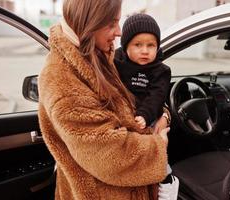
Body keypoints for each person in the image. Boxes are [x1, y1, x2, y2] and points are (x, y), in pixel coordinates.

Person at [37, 0, 171, 199]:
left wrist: (163, 115)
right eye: (112, 24)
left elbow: (137, 99)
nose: (118, 32)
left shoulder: (98, 57)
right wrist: (158, 143)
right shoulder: (62, 80)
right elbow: (110, 156)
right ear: (90, 22)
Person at [114, 13, 179, 200]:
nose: (145, 51)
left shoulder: (160, 70)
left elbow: (157, 96)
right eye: (138, 45)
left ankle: (167, 182)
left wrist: (144, 114)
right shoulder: (116, 63)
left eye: (151, 45)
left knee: (156, 156)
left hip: (148, 119)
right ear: (125, 46)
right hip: (123, 122)